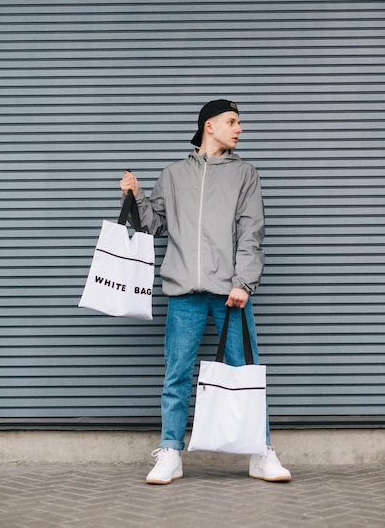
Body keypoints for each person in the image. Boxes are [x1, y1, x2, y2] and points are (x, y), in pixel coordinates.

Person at [120, 99, 291, 485]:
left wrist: (243, 283)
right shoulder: (173, 174)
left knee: (245, 374)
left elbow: (252, 233)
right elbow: (154, 225)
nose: (240, 129)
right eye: (233, 121)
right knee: (176, 375)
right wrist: (134, 195)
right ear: (209, 126)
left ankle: (260, 453)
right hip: (184, 291)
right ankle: (170, 453)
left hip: (231, 292)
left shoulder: (245, 174)